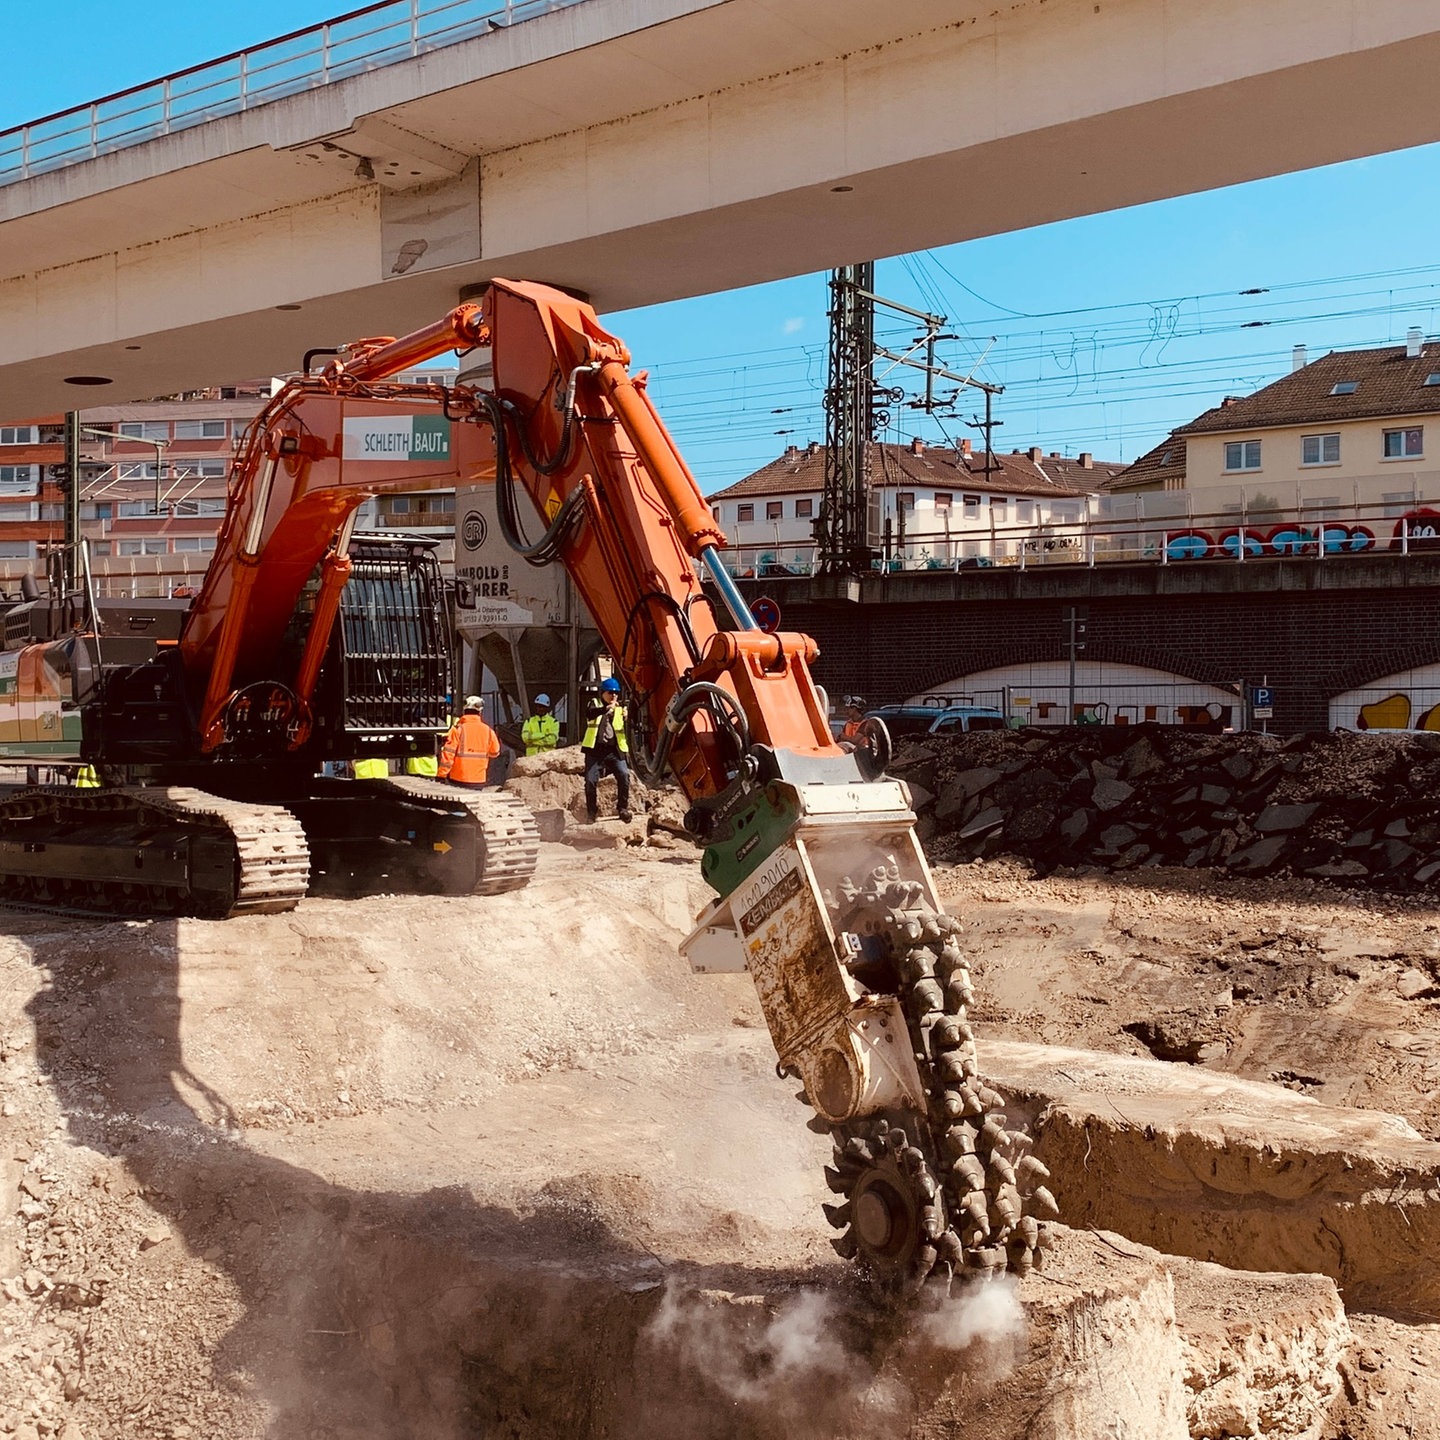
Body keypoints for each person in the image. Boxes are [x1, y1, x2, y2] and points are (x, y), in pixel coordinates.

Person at [581, 677, 631, 822]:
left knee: (624, 776)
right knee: (590, 780)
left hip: (614, 750)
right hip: (595, 750)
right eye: (610, 692)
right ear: (603, 693)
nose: (613, 695)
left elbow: (628, 722)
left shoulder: (621, 708)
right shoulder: (594, 704)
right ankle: (591, 812)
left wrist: (627, 715)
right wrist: (604, 710)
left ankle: (622, 808)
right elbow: (590, 714)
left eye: (616, 693)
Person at [439, 695, 501, 788]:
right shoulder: (488, 731)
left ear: (464, 711)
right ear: (480, 712)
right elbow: (495, 752)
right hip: (479, 779)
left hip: (458, 778)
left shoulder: (458, 730)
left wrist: (441, 775)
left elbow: (448, 755)